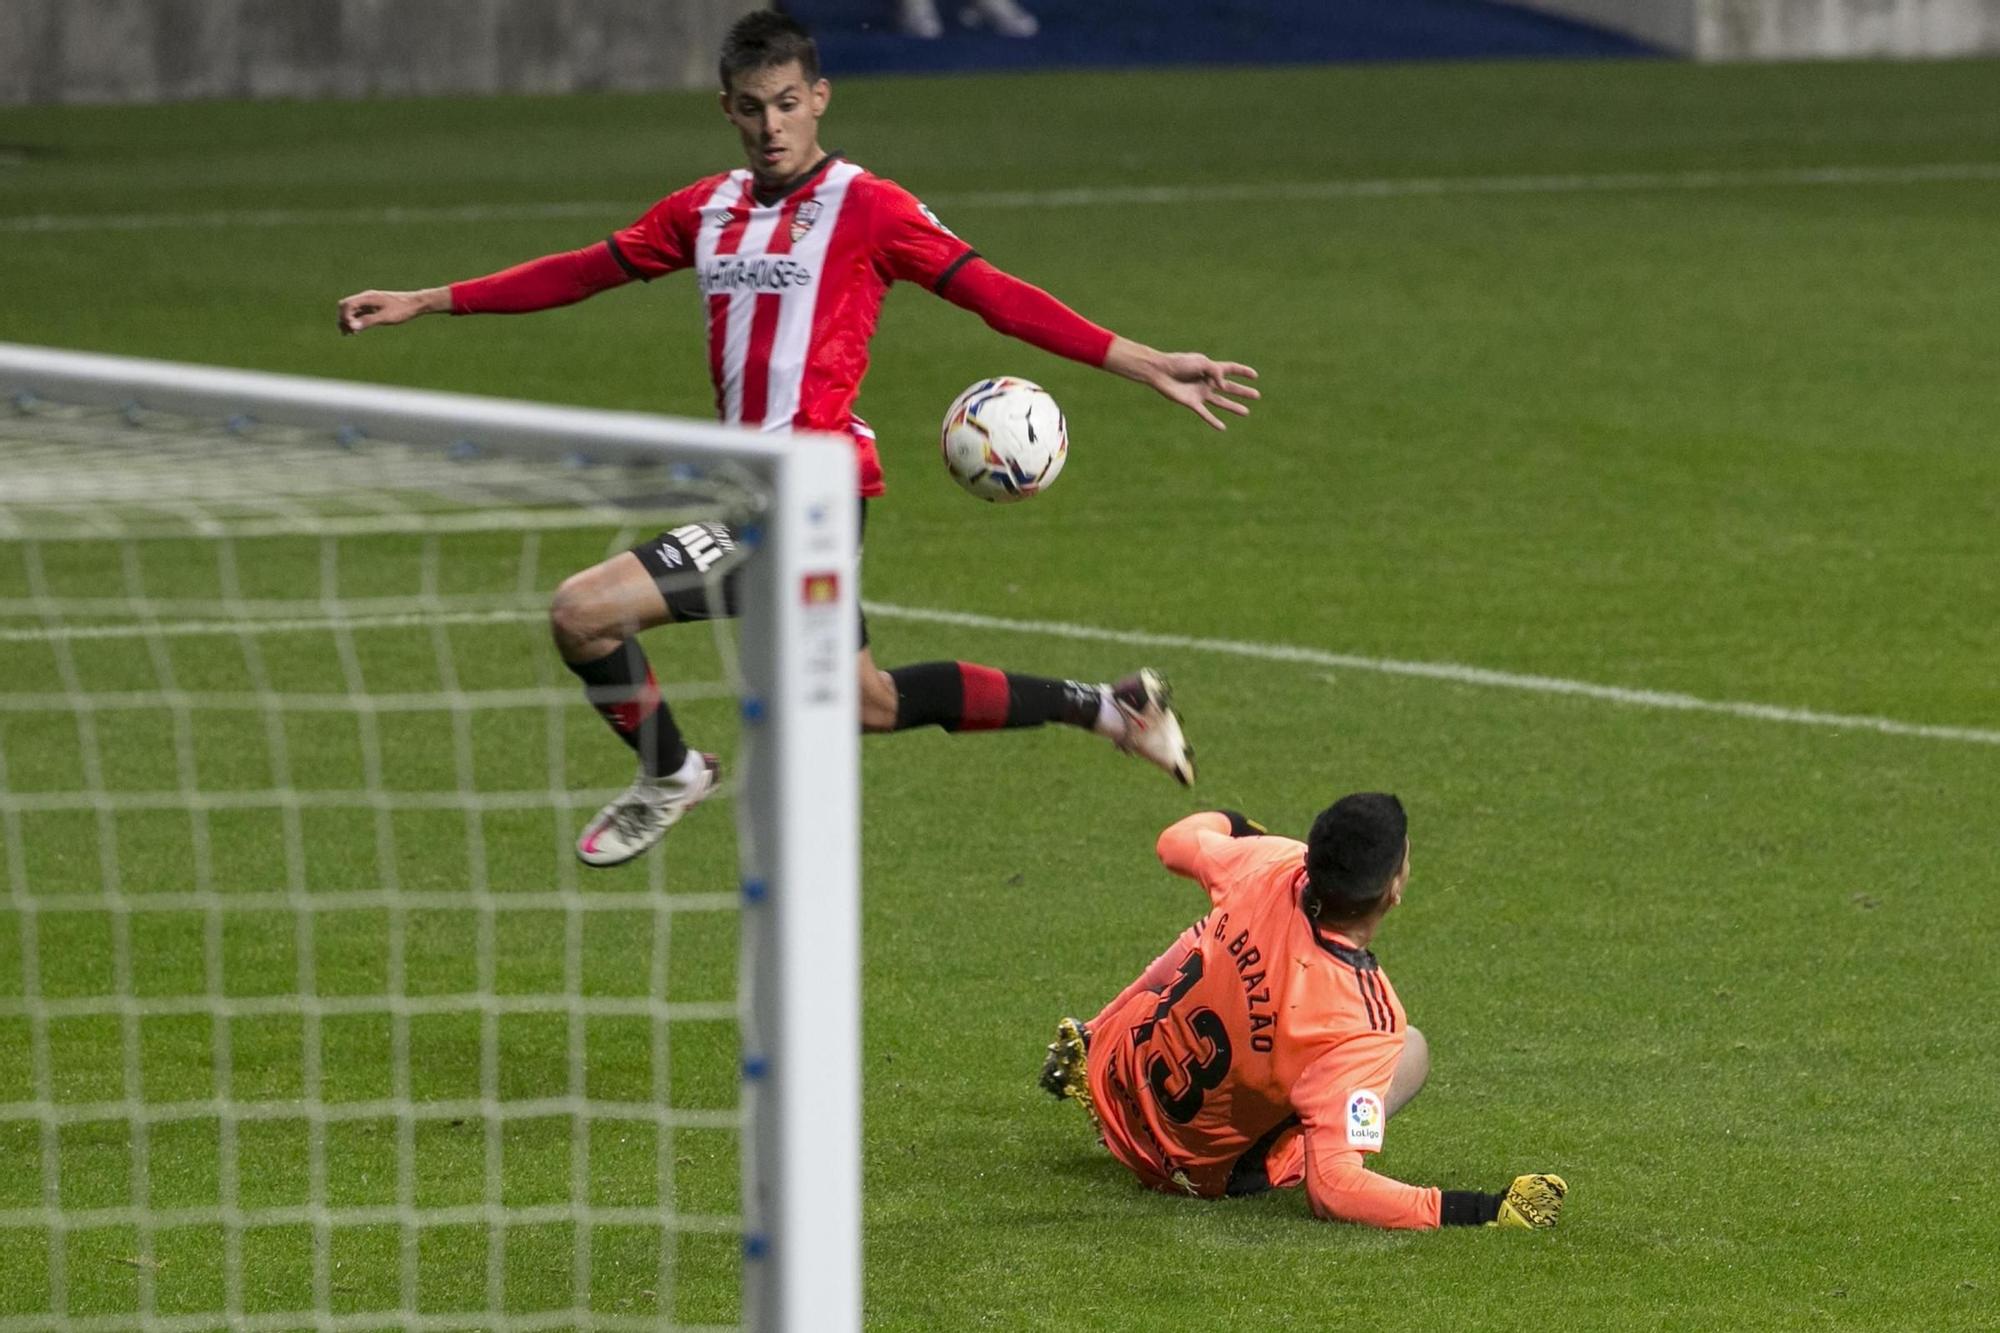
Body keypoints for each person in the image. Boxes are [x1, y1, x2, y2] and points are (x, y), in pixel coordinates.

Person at [336, 11, 1257, 868]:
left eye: (787, 104)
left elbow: (995, 295)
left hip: (809, 494)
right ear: (727, 109)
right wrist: (427, 299)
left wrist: (1144, 361)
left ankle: (671, 773)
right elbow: (582, 272)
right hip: (754, 495)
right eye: (751, 109)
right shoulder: (705, 210)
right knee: (867, 701)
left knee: (582, 612)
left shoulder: (870, 207)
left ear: (819, 97)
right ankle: (1108, 708)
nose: (771, 126)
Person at [1039, 794, 1568, 1229]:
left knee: (1211, 935)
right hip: (1183, 1172)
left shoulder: (1272, 865)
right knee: (1413, 1049)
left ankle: (1094, 1032)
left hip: (1114, 1082)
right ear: (1394, 889)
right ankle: (1314, 1131)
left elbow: (1174, 843)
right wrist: (1481, 1210)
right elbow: (1334, 1189)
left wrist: (1235, 821)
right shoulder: (1366, 1021)